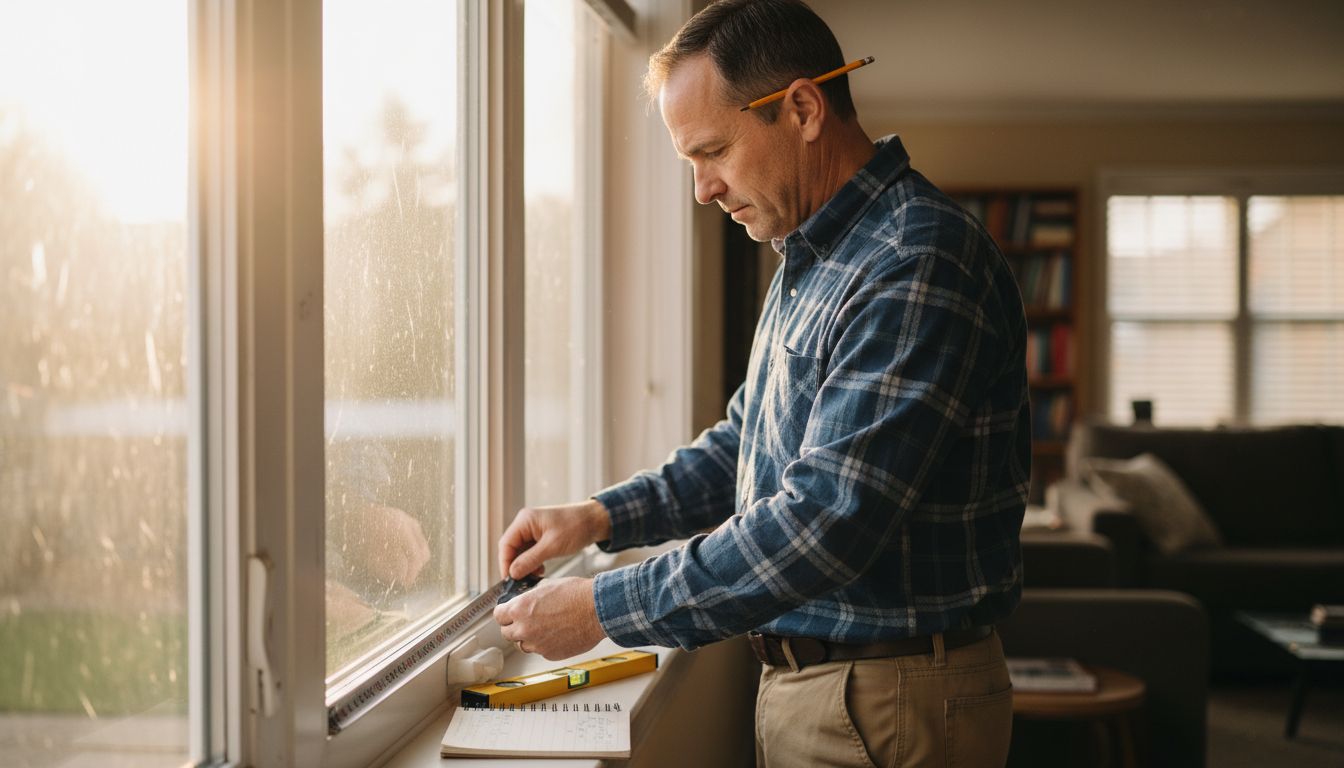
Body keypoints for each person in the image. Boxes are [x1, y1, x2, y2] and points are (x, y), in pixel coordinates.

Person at [493, 1, 1029, 765]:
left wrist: (604, 607)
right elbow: (749, 447)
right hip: (842, 691)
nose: (702, 190)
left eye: (713, 151)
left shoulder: (914, 259)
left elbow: (825, 521)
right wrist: (599, 517)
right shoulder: (811, 258)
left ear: (803, 108)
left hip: (890, 699)